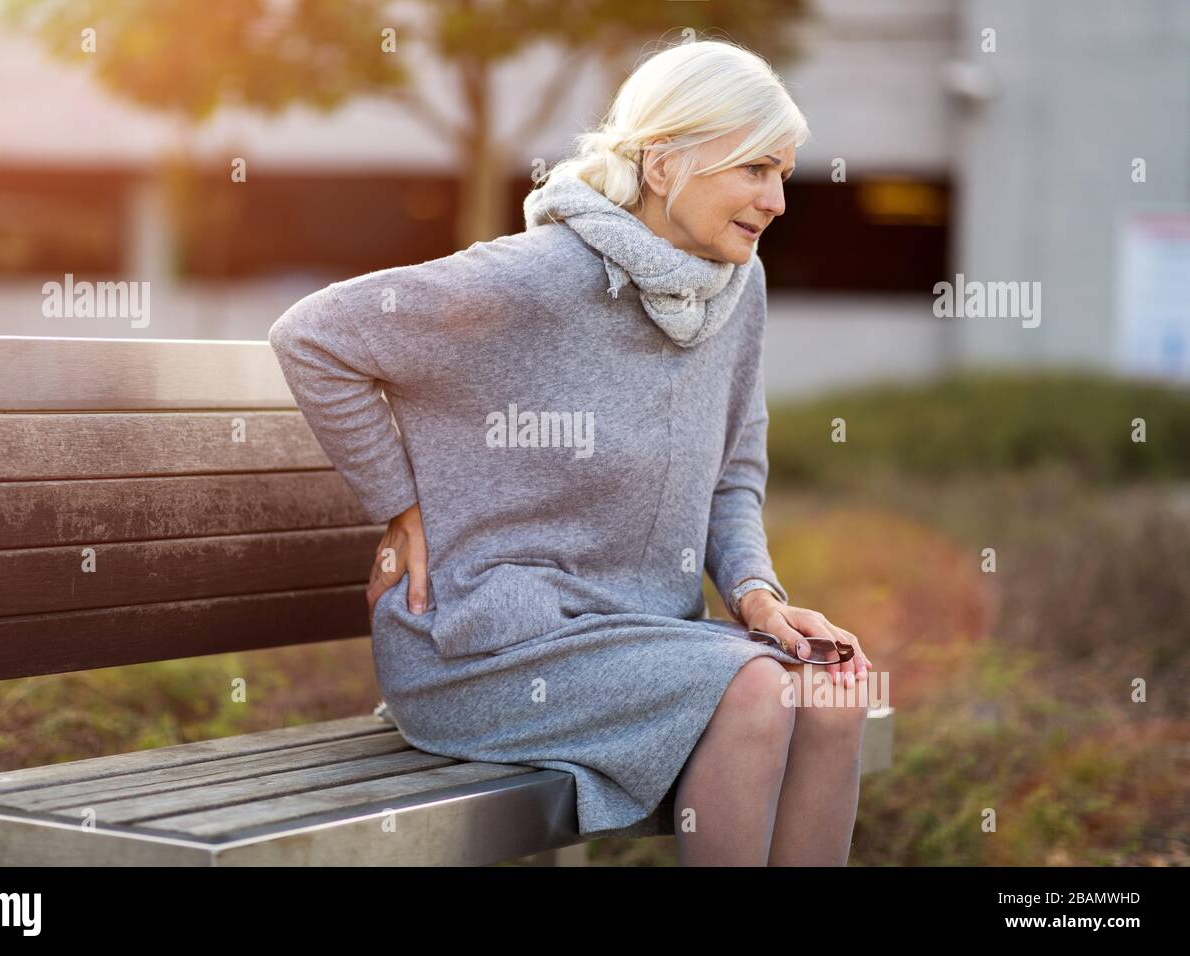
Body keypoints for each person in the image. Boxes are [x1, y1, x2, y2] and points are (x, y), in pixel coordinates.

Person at [269, 38, 874, 866]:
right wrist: (402, 507)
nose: (776, 200)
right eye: (755, 170)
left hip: (642, 638)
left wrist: (758, 597)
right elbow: (313, 336)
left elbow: (733, 472)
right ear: (664, 165)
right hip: (484, 649)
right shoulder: (536, 277)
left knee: (835, 693)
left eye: (784, 174)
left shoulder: (739, 288)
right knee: (760, 689)